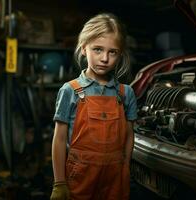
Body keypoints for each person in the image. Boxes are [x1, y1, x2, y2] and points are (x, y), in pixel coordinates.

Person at [50, 13, 137, 200]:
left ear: (119, 54)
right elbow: (59, 139)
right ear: (84, 49)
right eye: (97, 49)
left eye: (112, 52)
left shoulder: (125, 93)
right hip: (80, 174)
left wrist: (125, 168)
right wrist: (59, 182)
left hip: (115, 175)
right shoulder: (71, 90)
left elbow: (129, 134)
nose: (105, 58)